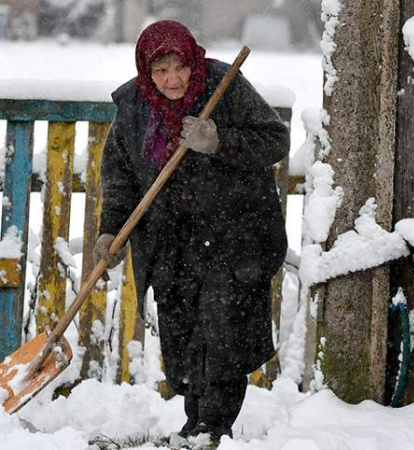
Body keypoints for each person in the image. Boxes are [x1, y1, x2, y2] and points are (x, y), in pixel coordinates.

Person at [93, 20, 289, 442]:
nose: (173, 79)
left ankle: (211, 427)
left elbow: (276, 140)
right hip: (170, 241)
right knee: (181, 334)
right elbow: (120, 177)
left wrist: (219, 140)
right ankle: (194, 421)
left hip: (233, 235)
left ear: (191, 60)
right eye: (161, 71)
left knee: (221, 330)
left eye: (179, 66)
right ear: (147, 72)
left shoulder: (225, 83)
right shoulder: (133, 106)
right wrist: (110, 231)